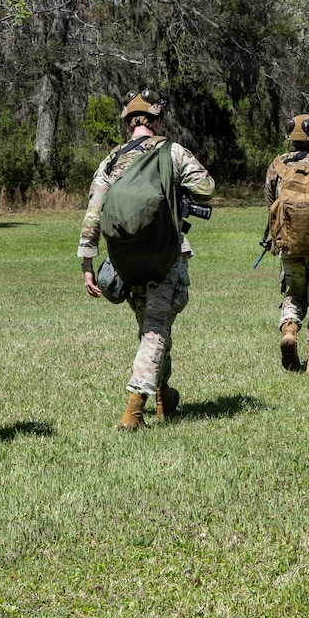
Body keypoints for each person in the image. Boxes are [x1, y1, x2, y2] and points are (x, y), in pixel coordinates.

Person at [79, 92, 216, 430]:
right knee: (156, 330)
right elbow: (208, 188)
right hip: (165, 255)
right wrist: (179, 192)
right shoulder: (171, 151)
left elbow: (93, 213)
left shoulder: (110, 161)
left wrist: (86, 264)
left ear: (129, 124)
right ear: (156, 122)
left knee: (151, 328)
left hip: (125, 260)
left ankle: (163, 395)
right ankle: (133, 410)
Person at [264, 114, 309, 373]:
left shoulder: (277, 166)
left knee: (293, 293)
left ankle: (290, 330)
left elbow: (270, 203)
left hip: (289, 244)